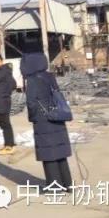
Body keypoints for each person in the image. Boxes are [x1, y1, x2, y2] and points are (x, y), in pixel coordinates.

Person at [21, 52, 73, 190]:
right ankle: (67, 184)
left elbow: (31, 103)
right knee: (60, 153)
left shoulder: (32, 80)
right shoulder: (50, 76)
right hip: (57, 116)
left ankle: (55, 186)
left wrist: (32, 118)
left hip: (43, 120)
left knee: (49, 154)